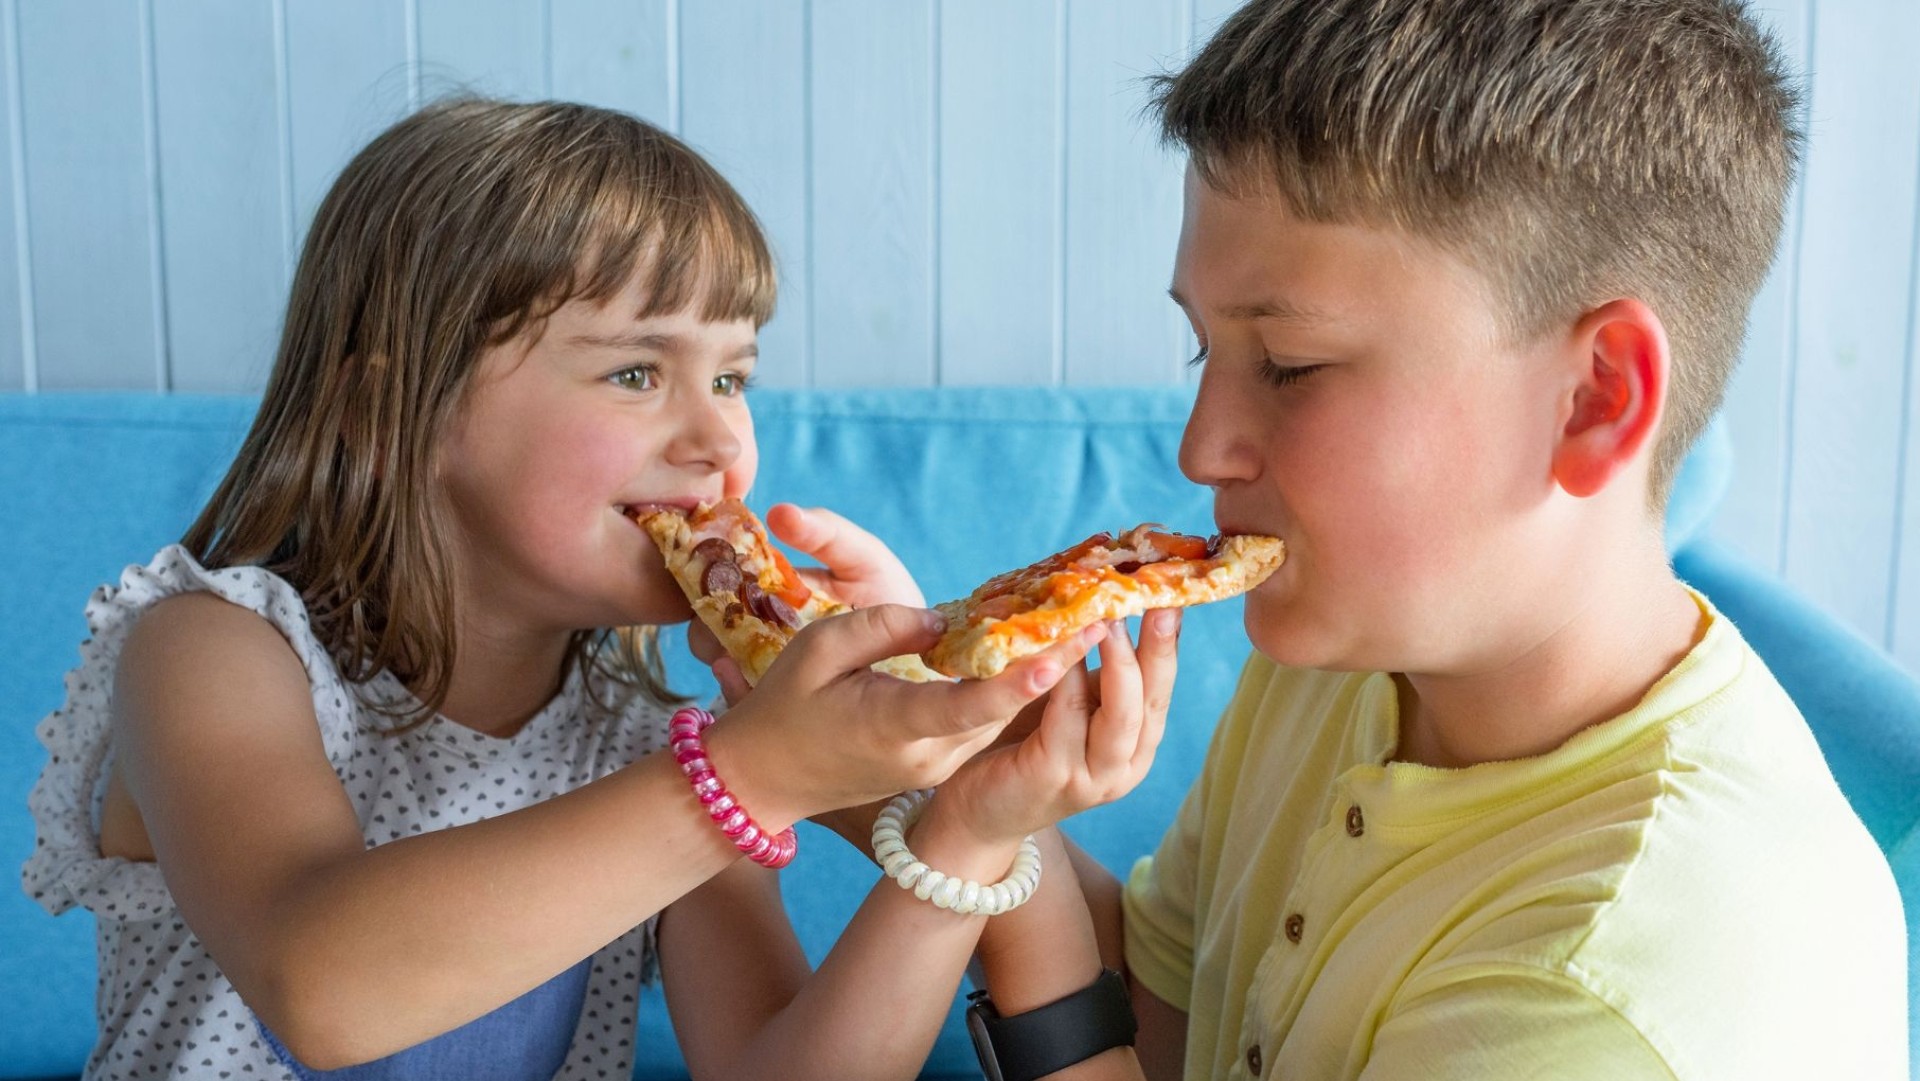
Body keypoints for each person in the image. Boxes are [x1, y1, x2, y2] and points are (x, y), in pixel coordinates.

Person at [22, 97, 1175, 1081]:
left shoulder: (641, 741)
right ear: (400, 415)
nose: (720, 436)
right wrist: (755, 771)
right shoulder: (213, 651)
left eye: (734, 375)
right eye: (637, 371)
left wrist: (964, 825)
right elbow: (321, 983)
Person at [949, 2, 1909, 1078]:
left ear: (1595, 399)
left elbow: (1080, 1002)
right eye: (1200, 351)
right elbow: (1172, 1019)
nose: (1200, 448)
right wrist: (944, 779)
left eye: (1290, 365)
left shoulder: (1627, 978)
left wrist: (991, 877)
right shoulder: (1345, 658)